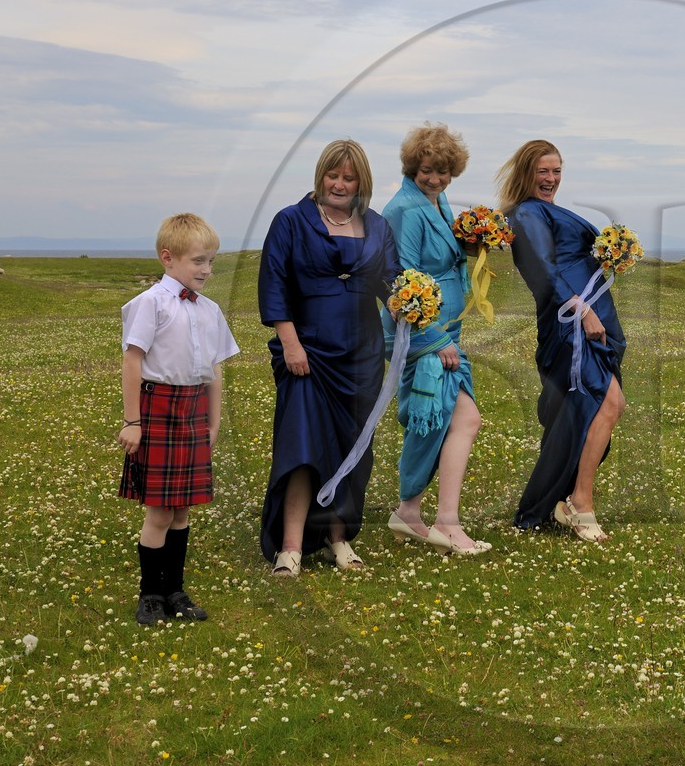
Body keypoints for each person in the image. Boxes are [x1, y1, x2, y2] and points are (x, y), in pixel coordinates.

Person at [258, 138, 401, 575]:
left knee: (351, 448)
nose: (339, 184)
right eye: (332, 175)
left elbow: (391, 281)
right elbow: (274, 282)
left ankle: (339, 540)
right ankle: (291, 546)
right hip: (308, 352)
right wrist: (291, 343)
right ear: (320, 176)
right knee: (301, 447)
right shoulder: (290, 221)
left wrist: (407, 300)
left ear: (362, 182)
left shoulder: (377, 226)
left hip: (361, 354)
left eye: (348, 177)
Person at [498, 139, 627, 540]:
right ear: (526, 174)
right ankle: (579, 504)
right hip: (570, 319)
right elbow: (542, 270)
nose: (551, 179)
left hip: (588, 313)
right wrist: (582, 310)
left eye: (556, 171)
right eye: (542, 171)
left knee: (597, 406)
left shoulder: (549, 210)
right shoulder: (526, 213)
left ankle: (567, 498)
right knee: (605, 401)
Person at [117, 213, 240, 626]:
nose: (206, 270)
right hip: (157, 411)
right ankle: (150, 594)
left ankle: (175, 590)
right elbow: (132, 360)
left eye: (211, 262)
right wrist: (132, 421)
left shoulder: (210, 310)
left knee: (183, 510)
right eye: (198, 261)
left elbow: (215, 368)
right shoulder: (149, 303)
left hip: (192, 412)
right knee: (159, 513)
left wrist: (214, 420)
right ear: (168, 258)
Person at [381, 123, 490, 556]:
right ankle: (446, 523)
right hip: (423, 335)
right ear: (412, 166)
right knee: (458, 417)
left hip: (446, 331)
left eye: (443, 172)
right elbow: (400, 279)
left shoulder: (436, 200)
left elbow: (441, 254)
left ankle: (410, 511)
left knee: (446, 418)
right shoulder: (405, 209)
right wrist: (434, 338)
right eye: (427, 170)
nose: (436, 179)